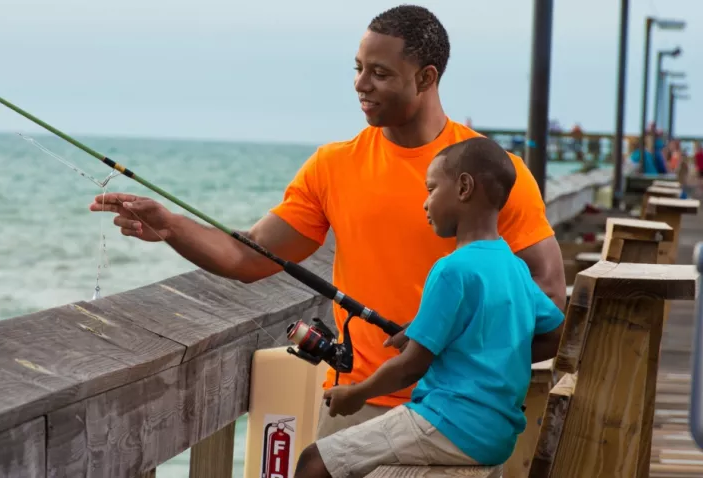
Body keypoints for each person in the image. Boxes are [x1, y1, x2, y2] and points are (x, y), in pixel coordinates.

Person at [89, 4, 566, 438]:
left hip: (459, 419)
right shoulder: (333, 166)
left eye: (379, 73)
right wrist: (171, 227)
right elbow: (250, 255)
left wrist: (460, 367)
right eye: (358, 69)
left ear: (425, 78)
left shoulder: (495, 174)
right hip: (354, 406)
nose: (361, 84)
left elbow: (548, 304)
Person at [293, 137, 565, 478]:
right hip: (496, 433)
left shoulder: (452, 268)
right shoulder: (514, 267)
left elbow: (410, 367)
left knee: (313, 462)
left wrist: (356, 394)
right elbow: (555, 333)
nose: (425, 203)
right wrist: (480, 355)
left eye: (432, 189)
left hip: (451, 422)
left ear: (464, 187)